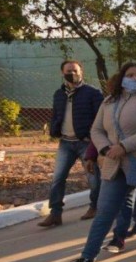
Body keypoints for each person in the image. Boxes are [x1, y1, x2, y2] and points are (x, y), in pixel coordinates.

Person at [56, 62, 136, 262]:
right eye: (129, 74)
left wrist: (124, 146)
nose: (134, 78)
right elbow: (96, 129)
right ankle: (87, 260)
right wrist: (104, 148)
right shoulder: (109, 101)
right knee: (104, 212)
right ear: (121, 77)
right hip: (114, 164)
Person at [38, 59, 104, 227]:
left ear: (81, 72)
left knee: (94, 178)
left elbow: (100, 118)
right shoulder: (59, 94)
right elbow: (56, 114)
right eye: (68, 71)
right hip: (66, 143)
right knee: (57, 179)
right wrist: (54, 129)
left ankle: (95, 207)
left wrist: (94, 140)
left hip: (86, 143)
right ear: (62, 73)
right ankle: (55, 214)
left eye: (75, 70)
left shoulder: (93, 93)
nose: (72, 74)